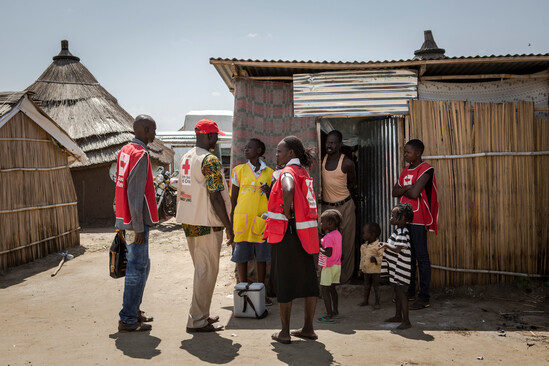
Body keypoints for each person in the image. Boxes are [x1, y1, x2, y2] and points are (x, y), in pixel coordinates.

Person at [175, 119, 234, 333]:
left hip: (190, 220)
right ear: (209, 136)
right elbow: (215, 195)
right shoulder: (209, 160)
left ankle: (203, 313)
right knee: (206, 271)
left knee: (203, 269)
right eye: (216, 136)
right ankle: (197, 320)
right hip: (206, 222)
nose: (217, 140)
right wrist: (229, 225)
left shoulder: (186, 157)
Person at [264, 136, 319, 345]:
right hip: (305, 236)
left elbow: (287, 189)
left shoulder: (287, 173)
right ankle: (308, 328)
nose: (276, 155)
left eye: (279, 152)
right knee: (308, 282)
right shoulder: (304, 173)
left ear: (291, 154)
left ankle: (285, 332)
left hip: (286, 234)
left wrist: (287, 212)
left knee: (284, 282)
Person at [114, 114, 159, 332]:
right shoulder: (141, 155)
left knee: (141, 265)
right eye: (153, 130)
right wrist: (139, 227)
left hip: (126, 218)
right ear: (144, 130)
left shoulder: (125, 151)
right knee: (136, 268)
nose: (155, 134)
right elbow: (135, 193)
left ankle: (134, 310)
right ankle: (128, 317)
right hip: (135, 223)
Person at [392, 139, 438, 310]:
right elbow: (394, 191)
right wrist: (406, 188)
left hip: (419, 219)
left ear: (418, 153)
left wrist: (405, 188)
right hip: (404, 219)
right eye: (404, 152)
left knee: (421, 256)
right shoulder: (406, 170)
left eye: (408, 152)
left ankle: (424, 297)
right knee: (407, 256)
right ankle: (410, 292)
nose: (405, 155)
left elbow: (414, 192)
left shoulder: (426, 169)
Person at [230, 138, 274, 305]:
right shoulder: (239, 171)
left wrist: (268, 191)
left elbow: (274, 200)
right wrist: (231, 220)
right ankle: (243, 291)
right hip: (241, 221)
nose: (245, 150)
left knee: (261, 258)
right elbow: (233, 199)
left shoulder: (269, 173)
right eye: (245, 148)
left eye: (249, 148)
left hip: (261, 222)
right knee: (242, 258)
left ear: (259, 151)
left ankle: (261, 293)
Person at [321, 130, 357, 284]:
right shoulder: (322, 160)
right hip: (327, 209)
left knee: (347, 243)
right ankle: (327, 276)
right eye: (328, 142)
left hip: (345, 205)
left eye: (334, 142)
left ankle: (345, 278)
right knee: (327, 243)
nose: (330, 145)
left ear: (340, 144)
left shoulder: (347, 163)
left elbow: (352, 183)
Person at [381, 203, 414, 330]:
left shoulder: (402, 231)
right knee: (397, 293)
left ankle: (406, 321)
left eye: (393, 215)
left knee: (401, 294)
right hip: (397, 269)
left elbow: (398, 248)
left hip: (401, 270)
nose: (391, 217)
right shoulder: (399, 231)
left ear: (401, 218)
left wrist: (385, 245)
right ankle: (398, 316)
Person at [317, 209, 342, 323]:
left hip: (328, 267)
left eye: (322, 222)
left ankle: (329, 315)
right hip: (337, 266)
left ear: (330, 224)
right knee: (332, 289)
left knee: (325, 291)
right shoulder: (337, 234)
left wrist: (319, 248)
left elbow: (328, 253)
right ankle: (335, 310)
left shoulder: (327, 238)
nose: (321, 224)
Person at [358, 222, 383, 309]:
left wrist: (376, 259)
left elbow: (382, 257)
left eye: (364, 233)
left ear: (372, 234)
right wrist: (360, 268)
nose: (363, 235)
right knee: (366, 286)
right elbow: (362, 258)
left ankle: (377, 302)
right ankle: (365, 300)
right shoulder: (363, 246)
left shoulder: (379, 246)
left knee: (376, 287)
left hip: (375, 271)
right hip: (366, 270)